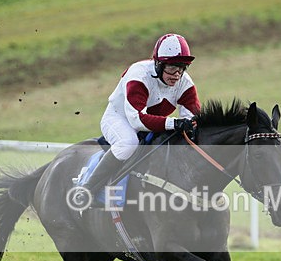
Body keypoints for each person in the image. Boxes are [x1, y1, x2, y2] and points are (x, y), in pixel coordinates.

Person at [75, 33, 201, 206]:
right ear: (158, 64)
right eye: (172, 67)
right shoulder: (139, 75)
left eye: (182, 67)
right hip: (120, 119)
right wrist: (174, 123)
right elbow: (137, 120)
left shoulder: (185, 83)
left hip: (152, 123)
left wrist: (188, 126)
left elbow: (193, 119)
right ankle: (87, 190)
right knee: (128, 143)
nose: (177, 74)